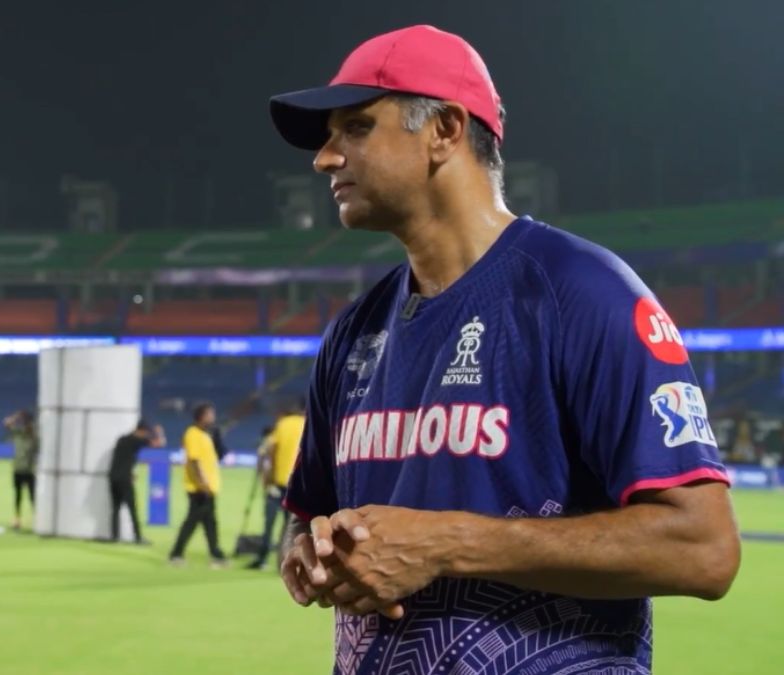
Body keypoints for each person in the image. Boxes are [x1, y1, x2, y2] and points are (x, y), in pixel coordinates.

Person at [268, 24, 739, 674]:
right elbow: (307, 515)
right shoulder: (354, 333)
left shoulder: (581, 293)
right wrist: (310, 551)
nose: (324, 158)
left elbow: (704, 549)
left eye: (356, 127)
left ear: (444, 130)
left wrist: (447, 543)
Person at [168, 403, 228, 568]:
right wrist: (202, 483)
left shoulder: (204, 434)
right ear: (202, 416)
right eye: (210, 414)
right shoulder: (192, 434)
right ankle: (176, 554)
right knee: (193, 521)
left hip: (207, 487)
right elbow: (194, 461)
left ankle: (215, 554)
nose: (213, 418)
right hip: (199, 488)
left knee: (209, 522)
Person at [247, 400, 305, 570]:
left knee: (269, 523)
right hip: (297, 485)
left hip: (278, 483)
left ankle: (262, 559)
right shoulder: (308, 424)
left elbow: (269, 450)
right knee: (291, 527)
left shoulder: (283, 424)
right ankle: (288, 563)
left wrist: (269, 478)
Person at [108, 420, 165, 543]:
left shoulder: (122, 439)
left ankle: (114, 536)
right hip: (124, 478)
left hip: (113, 476)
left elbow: (123, 458)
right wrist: (159, 432)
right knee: (132, 508)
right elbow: (159, 444)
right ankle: (138, 537)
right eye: (146, 432)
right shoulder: (137, 441)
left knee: (116, 508)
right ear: (142, 431)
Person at [4, 409, 38, 530]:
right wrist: (16, 416)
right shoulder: (18, 434)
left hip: (30, 471)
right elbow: (7, 423)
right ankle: (17, 520)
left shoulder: (34, 437)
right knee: (18, 496)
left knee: (33, 497)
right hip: (18, 469)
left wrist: (30, 423)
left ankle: (37, 520)